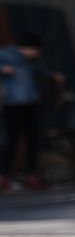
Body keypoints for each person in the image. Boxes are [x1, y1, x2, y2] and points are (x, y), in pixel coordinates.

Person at [0, 31, 46, 190]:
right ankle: (4, 175)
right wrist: (3, 69)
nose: (35, 54)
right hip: (12, 103)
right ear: (26, 48)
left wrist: (53, 75)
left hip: (30, 102)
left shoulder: (31, 61)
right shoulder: (5, 54)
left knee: (33, 138)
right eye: (34, 50)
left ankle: (32, 174)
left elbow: (39, 71)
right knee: (11, 139)